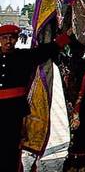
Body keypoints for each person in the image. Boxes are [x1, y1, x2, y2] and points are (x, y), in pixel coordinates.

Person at [0, 24, 70, 170]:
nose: (8, 41)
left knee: (12, 148)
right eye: (4, 38)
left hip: (15, 112)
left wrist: (66, 36)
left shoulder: (23, 57)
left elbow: (48, 50)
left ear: (17, 39)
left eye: (12, 38)